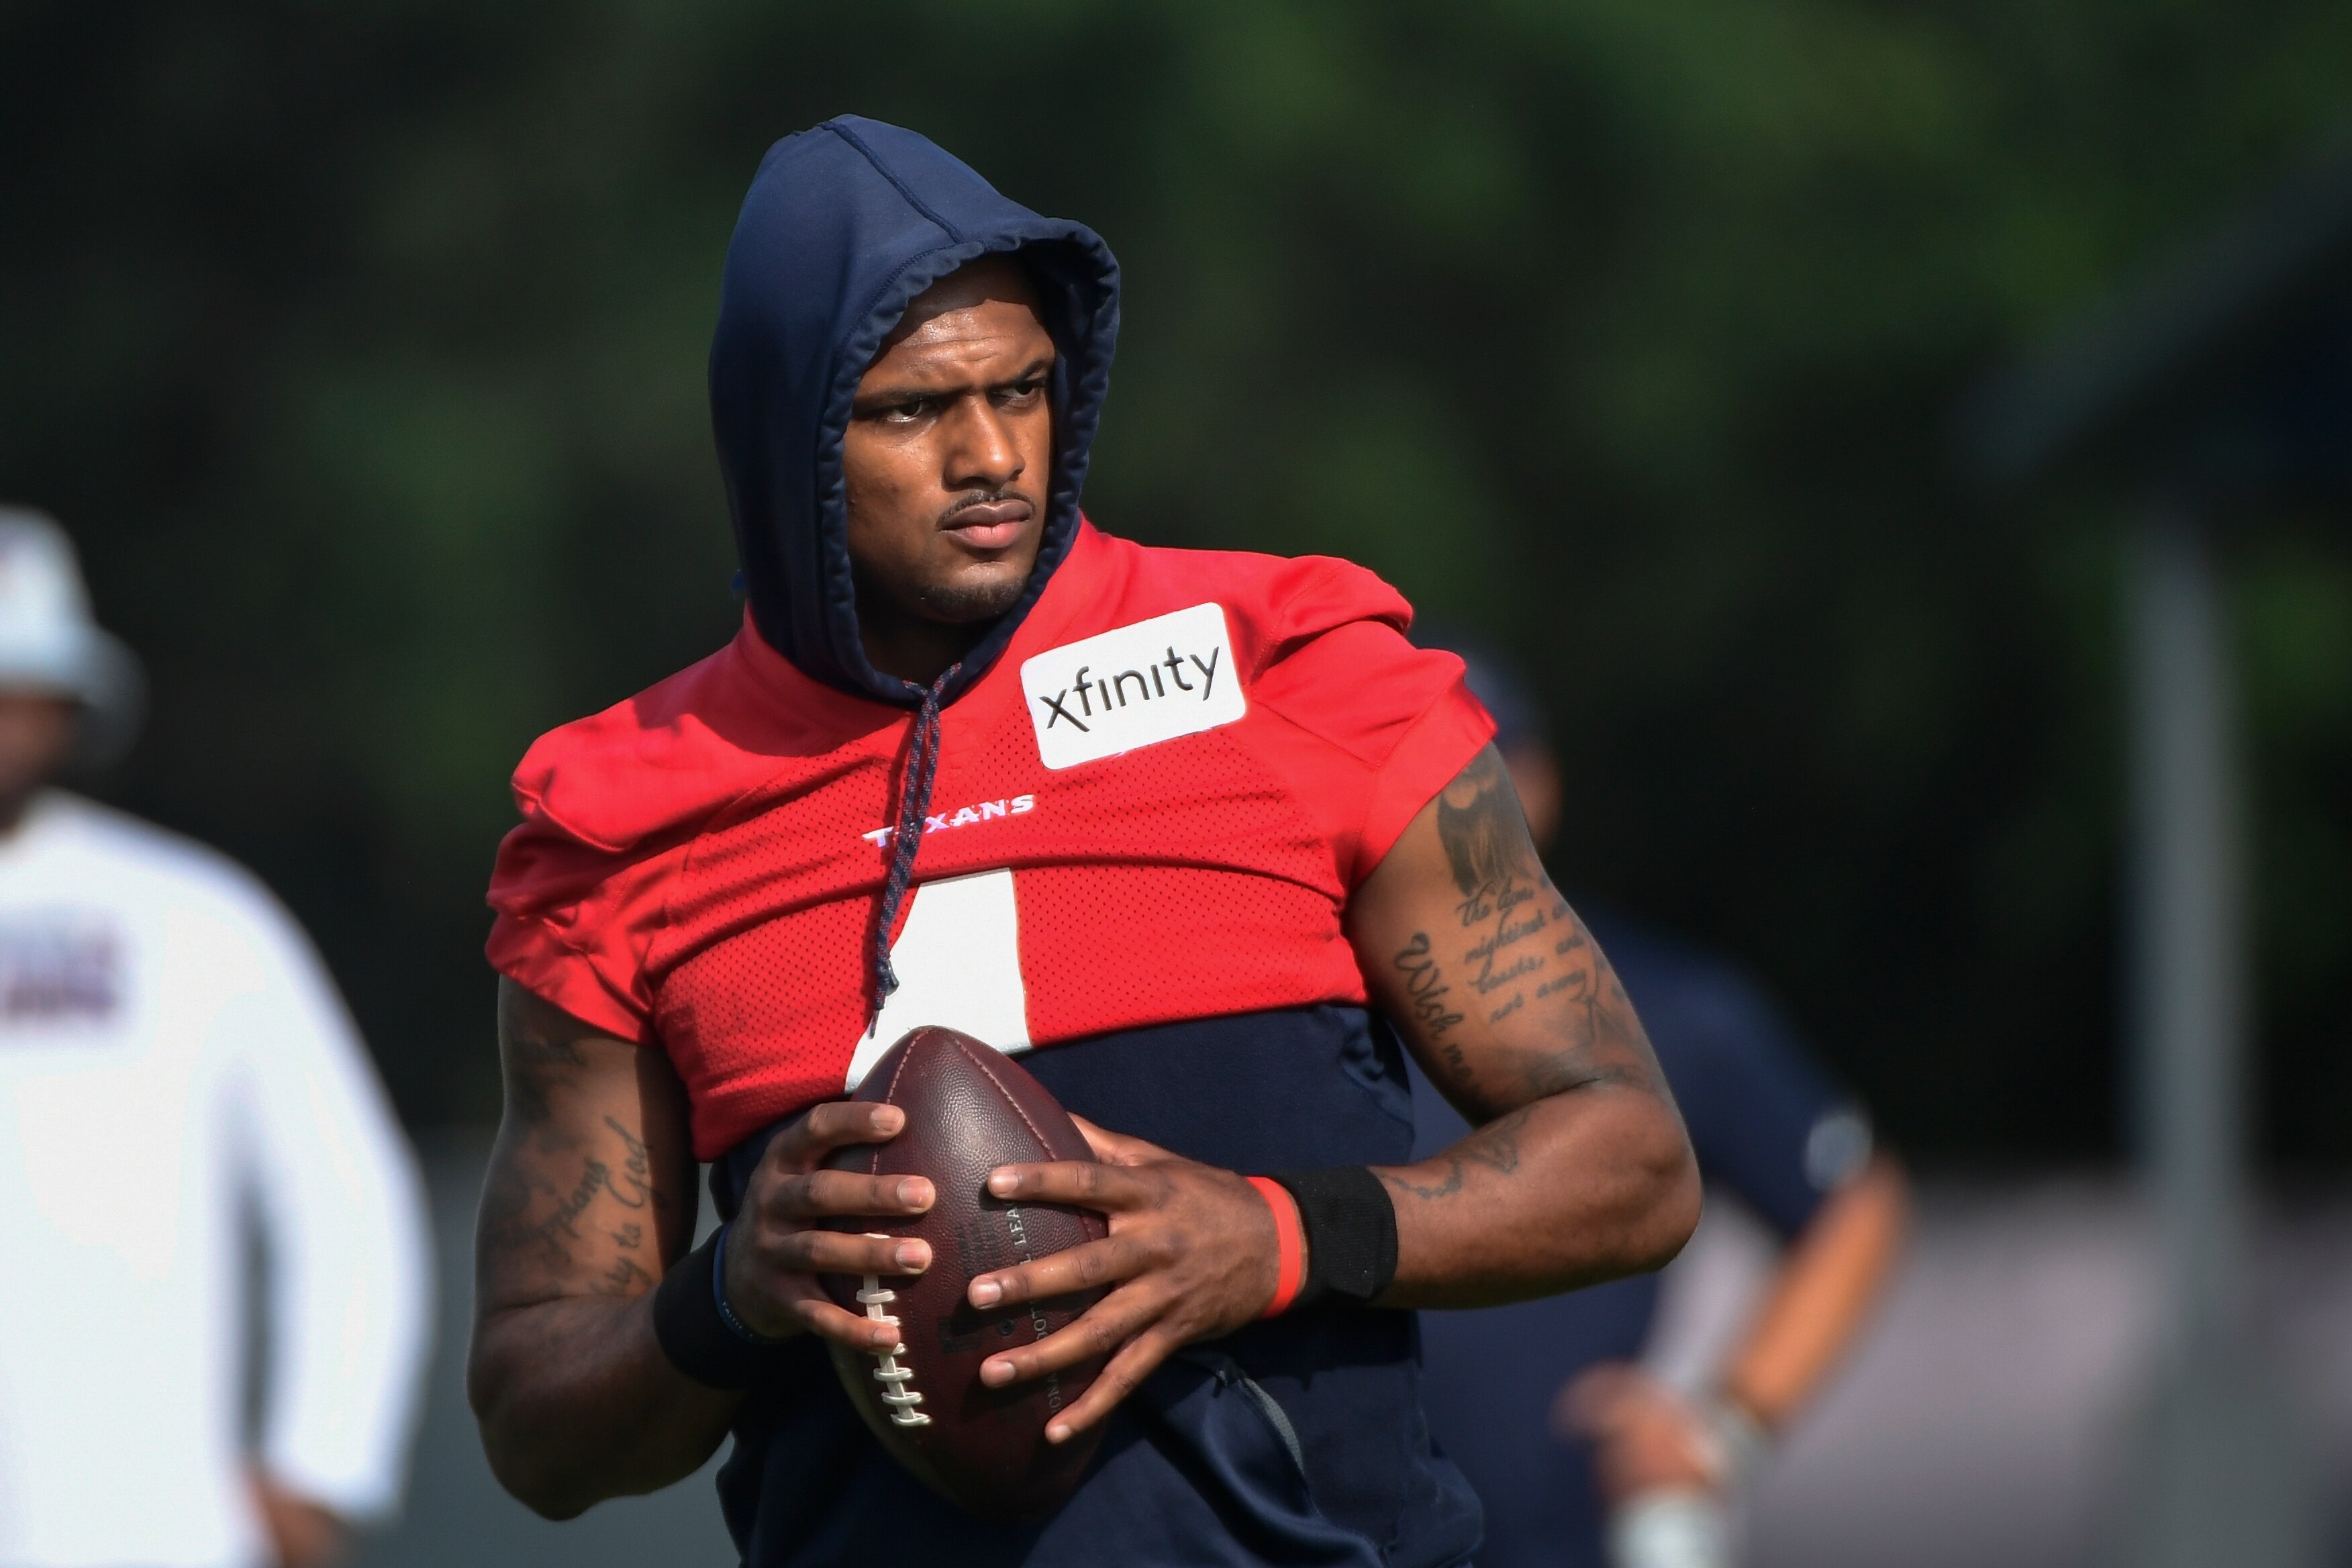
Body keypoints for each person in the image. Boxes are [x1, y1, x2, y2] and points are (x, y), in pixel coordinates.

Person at [468, 116, 1701, 1568]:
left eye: (1024, 389)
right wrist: (732, 1293)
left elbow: (1632, 1161)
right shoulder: (623, 823)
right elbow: (536, 1426)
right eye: (914, 411)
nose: (993, 455)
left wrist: (1274, 1239)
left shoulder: (1298, 673)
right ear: (784, 432)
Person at [1408, 636, 1910, 1568]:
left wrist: (1726, 1426)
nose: (1451, 801)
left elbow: (1854, 1205)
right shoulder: (1303, 1010)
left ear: (1540, 784)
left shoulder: (1664, 1009)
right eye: (1417, 769)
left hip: (1579, 1539)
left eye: (1482, 769)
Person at [0, 508, 434, 1567]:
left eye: (16, 689)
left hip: (155, 1536)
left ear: (66, 707)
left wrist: (321, 1464)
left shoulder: (192, 920)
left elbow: (345, 1201)